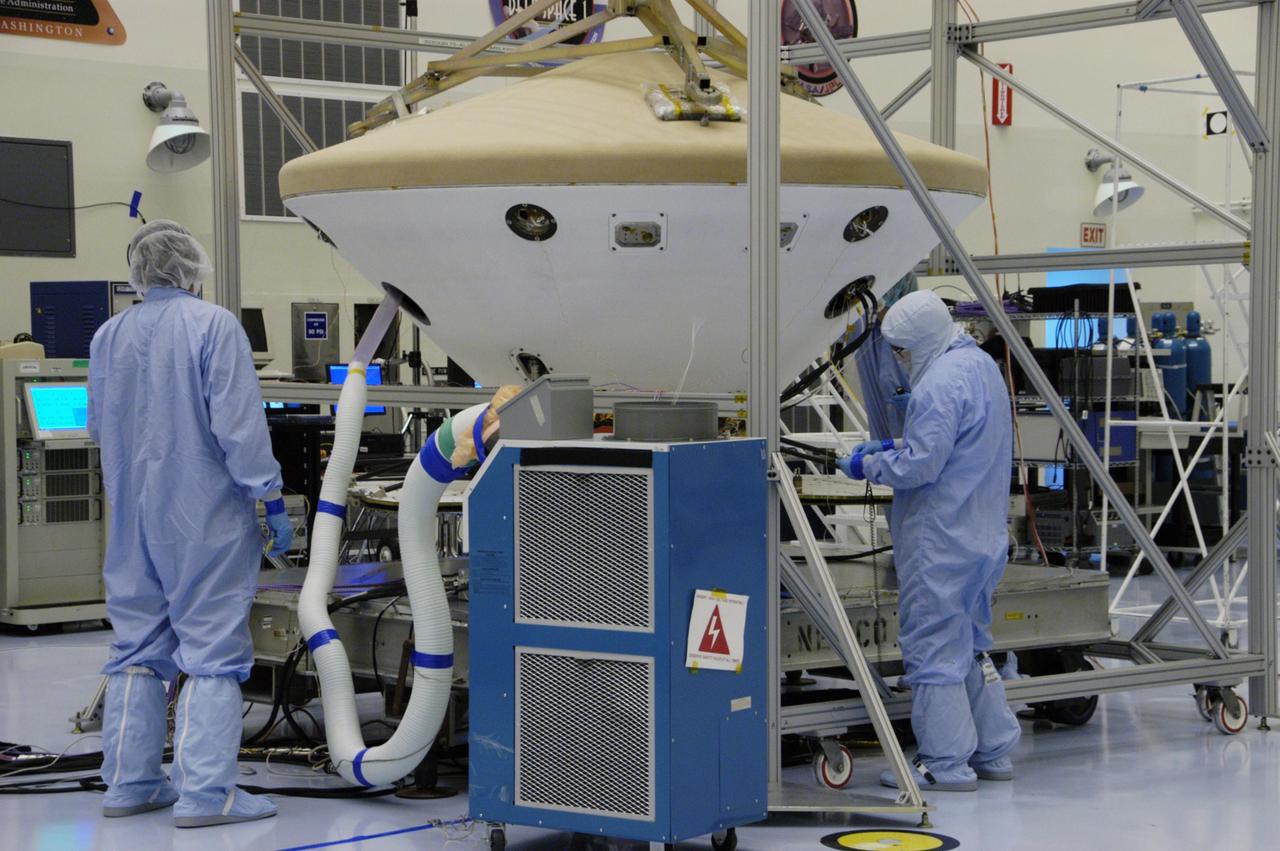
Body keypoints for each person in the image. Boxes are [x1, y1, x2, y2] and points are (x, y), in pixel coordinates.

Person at [88, 221, 293, 827]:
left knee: (137, 645)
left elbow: (100, 428)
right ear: (191, 267)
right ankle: (208, 795)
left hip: (130, 510)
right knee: (209, 645)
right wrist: (270, 496)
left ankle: (129, 784)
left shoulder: (108, 335)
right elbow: (239, 426)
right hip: (201, 511)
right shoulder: (213, 326)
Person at [837, 290, 1020, 792]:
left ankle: (944, 763)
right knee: (973, 646)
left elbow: (921, 465)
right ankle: (994, 750)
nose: (899, 359)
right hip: (982, 535)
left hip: (941, 539)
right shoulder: (979, 367)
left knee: (934, 651)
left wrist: (866, 463)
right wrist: (896, 443)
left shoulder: (937, 383)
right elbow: (955, 441)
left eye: (901, 350)